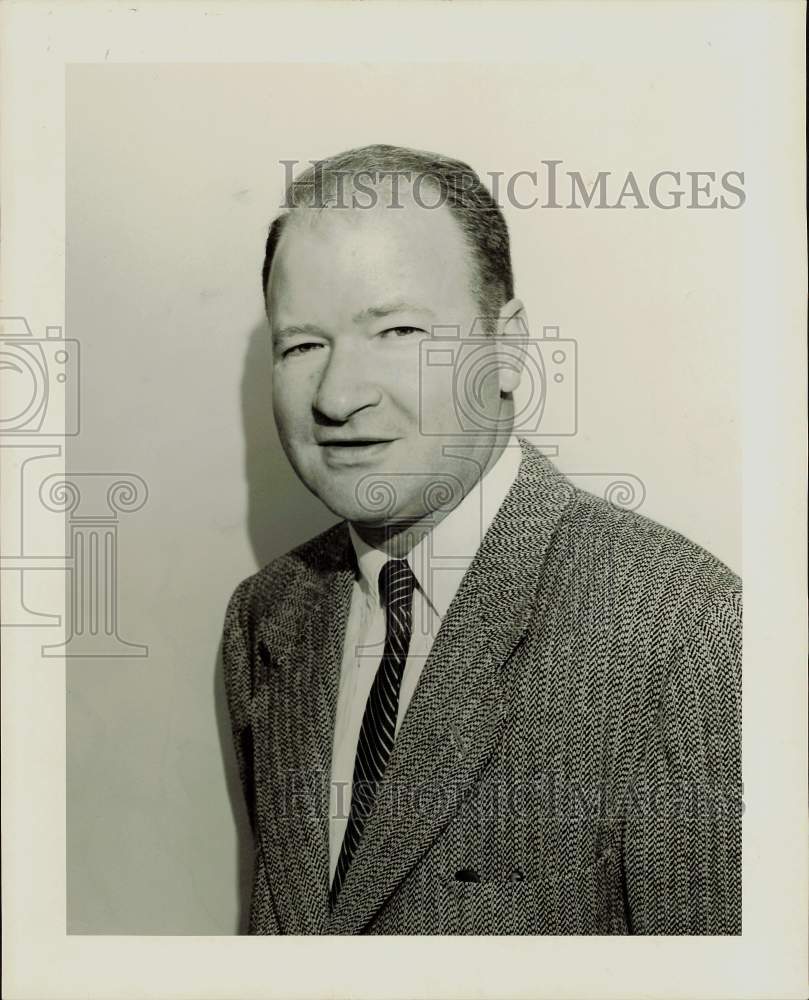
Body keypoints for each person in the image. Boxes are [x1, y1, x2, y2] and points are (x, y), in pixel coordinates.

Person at [221, 144, 742, 935]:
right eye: (302, 345)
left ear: (506, 347)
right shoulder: (266, 616)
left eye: (395, 330)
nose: (337, 395)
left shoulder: (680, 627)